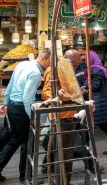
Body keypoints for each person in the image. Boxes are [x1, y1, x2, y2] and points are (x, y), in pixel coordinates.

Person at [0, 48, 51, 183]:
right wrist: (32, 117)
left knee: (14, 140)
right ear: (44, 58)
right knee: (27, 144)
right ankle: (25, 178)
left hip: (12, 107)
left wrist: (6, 102)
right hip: (22, 110)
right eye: (50, 61)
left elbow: (9, 85)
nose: (50, 65)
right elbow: (27, 98)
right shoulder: (35, 73)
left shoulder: (22, 64)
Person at [41, 50, 86, 184]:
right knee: (63, 153)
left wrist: (76, 92)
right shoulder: (54, 70)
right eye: (76, 65)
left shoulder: (65, 69)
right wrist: (57, 94)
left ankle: (62, 180)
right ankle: (61, 181)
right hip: (62, 116)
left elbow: (68, 88)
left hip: (70, 113)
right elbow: (46, 93)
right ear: (69, 61)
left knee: (66, 152)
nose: (76, 68)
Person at [77, 50, 107, 154]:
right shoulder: (97, 68)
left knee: (89, 125)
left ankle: (86, 150)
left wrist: (86, 86)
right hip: (103, 100)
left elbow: (96, 85)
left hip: (99, 102)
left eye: (87, 59)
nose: (85, 61)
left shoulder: (95, 70)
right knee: (105, 125)